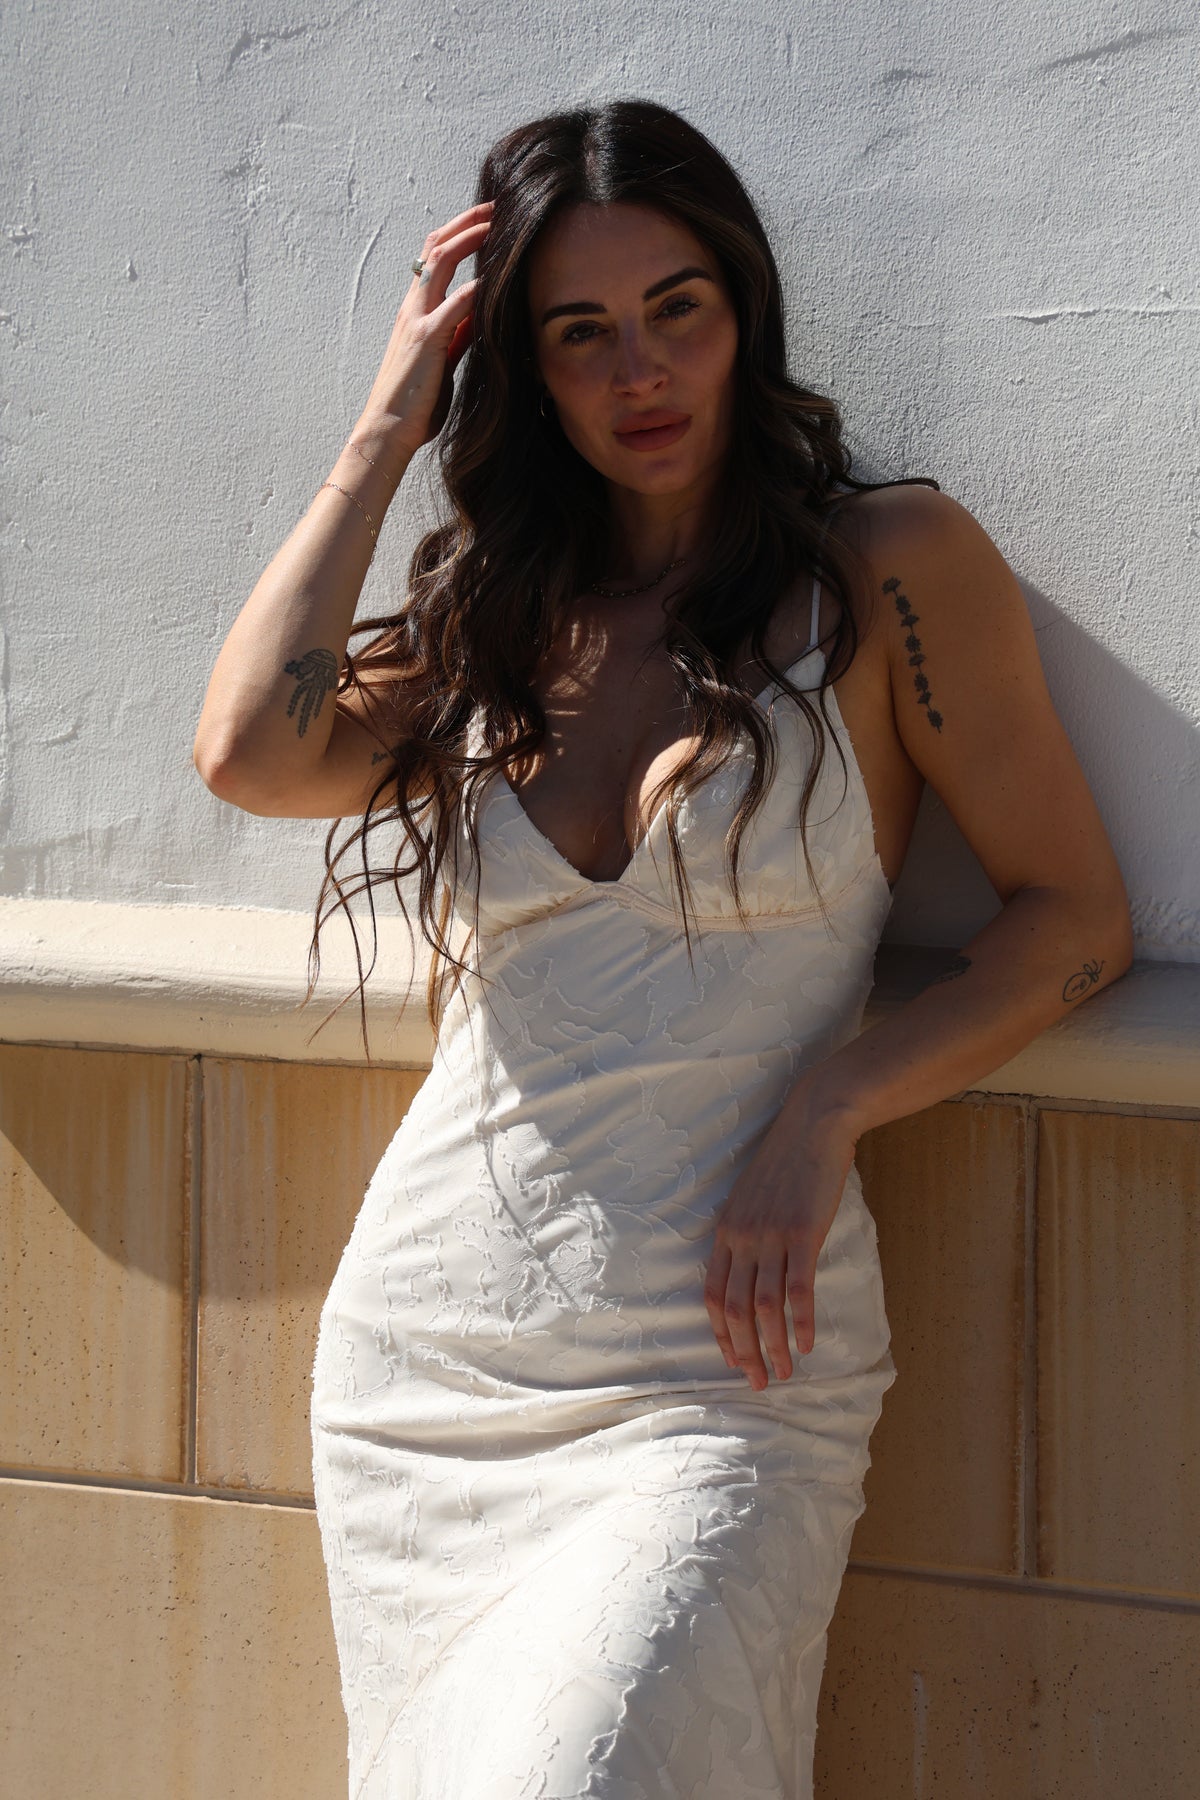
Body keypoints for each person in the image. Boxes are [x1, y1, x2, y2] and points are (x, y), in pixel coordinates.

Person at [193, 99, 1133, 1800]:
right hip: (436, 1365)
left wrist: (823, 1111)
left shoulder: (889, 570)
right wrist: (390, 418)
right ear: (526, 372)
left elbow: (1077, 921)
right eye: (580, 332)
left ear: (744, 310)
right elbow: (254, 754)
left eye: (677, 309)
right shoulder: (494, 615)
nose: (641, 368)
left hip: (723, 1372)